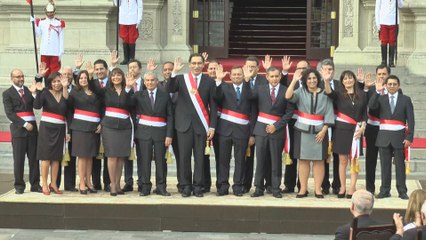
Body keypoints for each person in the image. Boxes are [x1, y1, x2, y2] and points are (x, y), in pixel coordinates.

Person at [168, 53, 217, 197]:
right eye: (194, 63)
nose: (196, 66)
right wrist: (174, 72)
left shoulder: (209, 82)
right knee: (184, 157)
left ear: (203, 65)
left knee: (200, 158)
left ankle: (198, 186)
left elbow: (213, 106)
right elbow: (169, 89)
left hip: (201, 126)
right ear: (189, 65)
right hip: (183, 126)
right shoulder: (181, 79)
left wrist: (212, 126)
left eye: (199, 63)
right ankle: (185, 186)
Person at [286, 69, 334, 198]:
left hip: (320, 132)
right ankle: (303, 189)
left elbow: (329, 112)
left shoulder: (325, 94)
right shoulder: (300, 92)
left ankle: (318, 189)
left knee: (319, 161)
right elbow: (288, 96)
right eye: (309, 79)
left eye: (314, 78)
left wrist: (324, 130)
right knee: (303, 161)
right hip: (302, 131)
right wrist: (294, 81)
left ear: (318, 79)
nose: (312, 81)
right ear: (305, 80)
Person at [368, 75, 414, 200]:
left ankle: (402, 190)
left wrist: (409, 137)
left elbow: (411, 120)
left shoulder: (406, 99)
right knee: (385, 165)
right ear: (386, 85)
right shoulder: (381, 98)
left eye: (394, 84)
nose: (392, 86)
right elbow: (371, 108)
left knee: (400, 165)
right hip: (384, 136)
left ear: (398, 85)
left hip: (399, 136)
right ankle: (384, 190)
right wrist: (377, 91)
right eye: (389, 84)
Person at [249, 66, 293, 198]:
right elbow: (250, 101)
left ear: (280, 77)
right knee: (260, 159)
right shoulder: (259, 89)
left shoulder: (286, 91)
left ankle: (275, 188)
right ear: (267, 77)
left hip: (277, 130)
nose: (274, 79)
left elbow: (289, 112)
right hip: (261, 129)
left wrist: (276, 126)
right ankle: (258, 187)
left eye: (277, 76)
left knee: (276, 160)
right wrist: (247, 80)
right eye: (271, 76)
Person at [90, 67, 133, 196]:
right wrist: (91, 75)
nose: (116, 77)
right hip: (109, 126)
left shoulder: (128, 90)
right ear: (110, 77)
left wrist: (129, 88)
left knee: (121, 156)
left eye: (119, 75)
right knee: (112, 155)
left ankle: (118, 183)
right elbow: (93, 88)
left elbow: (129, 103)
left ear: (123, 77)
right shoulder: (106, 91)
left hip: (125, 126)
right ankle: (112, 184)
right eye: (113, 75)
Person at [128, 71, 173, 196]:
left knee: (161, 162)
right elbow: (126, 103)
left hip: (161, 132)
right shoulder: (138, 94)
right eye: (147, 80)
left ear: (157, 82)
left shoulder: (164, 95)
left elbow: (170, 115)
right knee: (144, 161)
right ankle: (145, 187)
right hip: (144, 132)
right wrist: (128, 87)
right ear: (144, 82)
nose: (149, 83)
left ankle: (161, 187)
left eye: (152, 80)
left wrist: (169, 135)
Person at [324, 70, 367, 199]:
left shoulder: (362, 95)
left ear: (354, 80)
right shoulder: (339, 94)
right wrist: (326, 80)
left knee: (354, 160)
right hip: (341, 130)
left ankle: (352, 187)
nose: (348, 81)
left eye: (350, 78)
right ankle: (342, 186)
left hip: (356, 131)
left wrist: (363, 127)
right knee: (342, 160)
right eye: (345, 79)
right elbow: (328, 92)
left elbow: (365, 113)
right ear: (342, 82)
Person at [214, 66, 252, 196]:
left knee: (240, 160)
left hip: (242, 131)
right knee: (223, 160)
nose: (236, 76)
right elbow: (217, 98)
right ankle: (223, 185)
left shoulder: (249, 88)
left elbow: (251, 98)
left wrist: (247, 81)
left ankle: (238, 186)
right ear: (230, 76)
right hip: (224, 130)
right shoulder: (224, 87)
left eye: (239, 74)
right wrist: (218, 81)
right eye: (234, 74)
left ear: (243, 75)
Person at [2, 69, 42, 194]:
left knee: (34, 159)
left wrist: (35, 94)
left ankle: (35, 185)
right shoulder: (7, 93)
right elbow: (9, 113)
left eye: (22, 76)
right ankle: (19, 186)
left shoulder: (28, 90)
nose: (21, 79)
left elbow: (37, 106)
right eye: (18, 77)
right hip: (19, 131)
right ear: (12, 78)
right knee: (19, 159)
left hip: (33, 131)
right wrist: (24, 124)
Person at [33, 71, 69, 195]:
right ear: (50, 82)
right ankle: (44, 183)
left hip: (60, 128)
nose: (56, 83)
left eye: (59, 81)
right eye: (54, 81)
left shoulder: (65, 93)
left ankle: (53, 183)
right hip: (46, 128)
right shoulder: (45, 93)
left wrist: (65, 87)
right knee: (46, 157)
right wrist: (38, 92)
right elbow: (37, 106)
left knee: (56, 158)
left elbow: (67, 106)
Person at [68, 70, 102, 194]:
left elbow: (101, 108)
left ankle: (89, 181)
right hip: (80, 128)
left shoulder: (96, 92)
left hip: (94, 128)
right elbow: (68, 105)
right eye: (81, 78)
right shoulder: (75, 92)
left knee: (90, 156)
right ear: (78, 80)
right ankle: (81, 182)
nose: (83, 80)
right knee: (82, 156)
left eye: (85, 77)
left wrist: (101, 123)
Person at [241, 55, 268, 194]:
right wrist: (245, 80)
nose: (250, 69)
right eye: (248, 66)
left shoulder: (265, 81)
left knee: (264, 156)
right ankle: (245, 184)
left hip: (262, 123)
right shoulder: (239, 78)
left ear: (258, 68)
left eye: (253, 67)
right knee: (247, 156)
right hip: (244, 124)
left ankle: (266, 184)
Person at [283, 59, 310, 193]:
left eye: (304, 68)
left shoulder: (315, 83)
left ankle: (302, 186)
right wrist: (285, 72)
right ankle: (289, 184)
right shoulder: (291, 83)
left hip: (308, 123)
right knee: (292, 154)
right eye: (299, 68)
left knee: (304, 155)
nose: (301, 71)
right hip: (293, 122)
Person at [364, 64, 391, 194]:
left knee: (386, 160)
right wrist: (377, 91)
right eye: (379, 74)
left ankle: (385, 188)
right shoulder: (371, 90)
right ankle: (370, 188)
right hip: (372, 128)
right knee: (371, 159)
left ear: (388, 75)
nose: (381, 76)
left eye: (384, 74)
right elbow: (372, 107)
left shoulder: (395, 90)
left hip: (387, 130)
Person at [319, 58, 341, 195]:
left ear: (334, 71)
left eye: (330, 69)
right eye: (325, 69)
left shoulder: (340, 84)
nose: (328, 72)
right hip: (322, 125)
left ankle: (337, 184)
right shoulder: (316, 83)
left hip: (338, 123)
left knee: (337, 156)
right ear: (321, 71)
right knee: (323, 155)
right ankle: (324, 184)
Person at [91, 59, 111, 192]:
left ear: (106, 69)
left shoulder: (113, 82)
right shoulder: (91, 83)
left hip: (109, 123)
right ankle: (96, 182)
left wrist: (103, 122)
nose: (99, 71)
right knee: (95, 155)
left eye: (101, 69)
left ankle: (108, 182)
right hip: (93, 124)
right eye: (96, 69)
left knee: (109, 154)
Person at [203, 59, 221, 193]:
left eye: (215, 68)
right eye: (210, 68)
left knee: (221, 157)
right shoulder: (201, 85)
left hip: (221, 125)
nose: (213, 71)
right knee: (203, 156)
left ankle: (221, 184)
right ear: (206, 70)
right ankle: (205, 183)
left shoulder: (225, 85)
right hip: (203, 123)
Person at [34, 1, 65, 77]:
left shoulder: (59, 23)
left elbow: (61, 38)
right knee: (45, 71)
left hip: (55, 51)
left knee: (54, 72)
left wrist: (61, 51)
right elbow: (37, 34)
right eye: (48, 12)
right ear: (45, 12)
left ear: (54, 12)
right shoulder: (41, 22)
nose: (50, 14)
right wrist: (34, 23)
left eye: (51, 12)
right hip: (44, 51)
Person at [62, 66, 78, 192]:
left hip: (74, 126)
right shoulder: (54, 88)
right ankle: (54, 183)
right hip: (59, 125)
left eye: (69, 73)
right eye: (64, 73)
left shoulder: (77, 89)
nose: (67, 75)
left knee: (71, 156)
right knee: (57, 157)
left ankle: (70, 184)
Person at [375, 0, 404, 67]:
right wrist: (378, 23)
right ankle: (384, 61)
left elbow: (401, 5)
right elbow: (377, 9)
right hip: (383, 21)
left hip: (394, 21)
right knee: (384, 42)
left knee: (392, 42)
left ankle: (391, 61)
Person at [113, 0, 143, 65]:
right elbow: (117, 4)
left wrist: (139, 19)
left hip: (133, 19)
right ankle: (126, 59)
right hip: (123, 19)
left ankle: (132, 59)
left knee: (132, 39)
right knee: (125, 39)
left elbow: (140, 6)